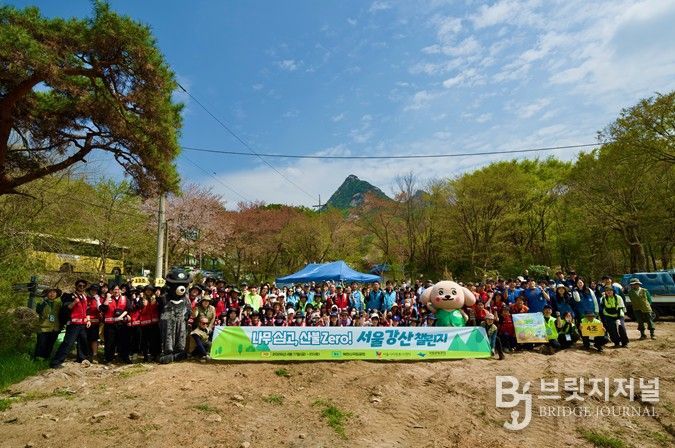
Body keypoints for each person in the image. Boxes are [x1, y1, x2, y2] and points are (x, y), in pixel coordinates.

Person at [50, 279, 92, 368]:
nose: (82, 287)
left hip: (82, 324)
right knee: (68, 343)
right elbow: (66, 308)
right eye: (80, 285)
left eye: (83, 286)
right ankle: (56, 362)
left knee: (83, 341)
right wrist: (74, 302)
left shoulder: (85, 297)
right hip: (73, 324)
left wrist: (88, 320)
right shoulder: (69, 296)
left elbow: (87, 310)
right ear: (76, 286)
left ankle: (82, 359)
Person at [100, 284, 131, 364]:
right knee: (109, 342)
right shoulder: (108, 298)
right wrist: (107, 298)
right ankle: (108, 359)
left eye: (117, 289)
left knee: (124, 341)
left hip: (121, 323)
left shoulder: (125, 298)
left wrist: (121, 317)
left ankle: (124, 357)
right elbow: (103, 309)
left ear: (120, 290)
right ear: (111, 291)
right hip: (110, 324)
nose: (116, 291)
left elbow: (128, 309)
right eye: (114, 289)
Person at [35, 288, 62, 360]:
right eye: (50, 292)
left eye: (54, 292)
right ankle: (38, 359)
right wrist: (44, 301)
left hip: (54, 328)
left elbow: (62, 315)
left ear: (56, 294)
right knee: (41, 343)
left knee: (50, 344)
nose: (52, 294)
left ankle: (47, 358)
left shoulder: (59, 304)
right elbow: (38, 310)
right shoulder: (42, 302)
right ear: (46, 294)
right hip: (43, 327)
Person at [85, 284, 102, 360]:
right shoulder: (86, 298)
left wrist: (97, 300)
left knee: (94, 339)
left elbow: (100, 309)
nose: (94, 291)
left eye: (95, 290)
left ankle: (95, 355)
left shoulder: (99, 299)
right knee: (86, 338)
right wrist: (88, 319)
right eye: (92, 290)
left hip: (95, 322)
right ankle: (87, 354)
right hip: (86, 321)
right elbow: (85, 310)